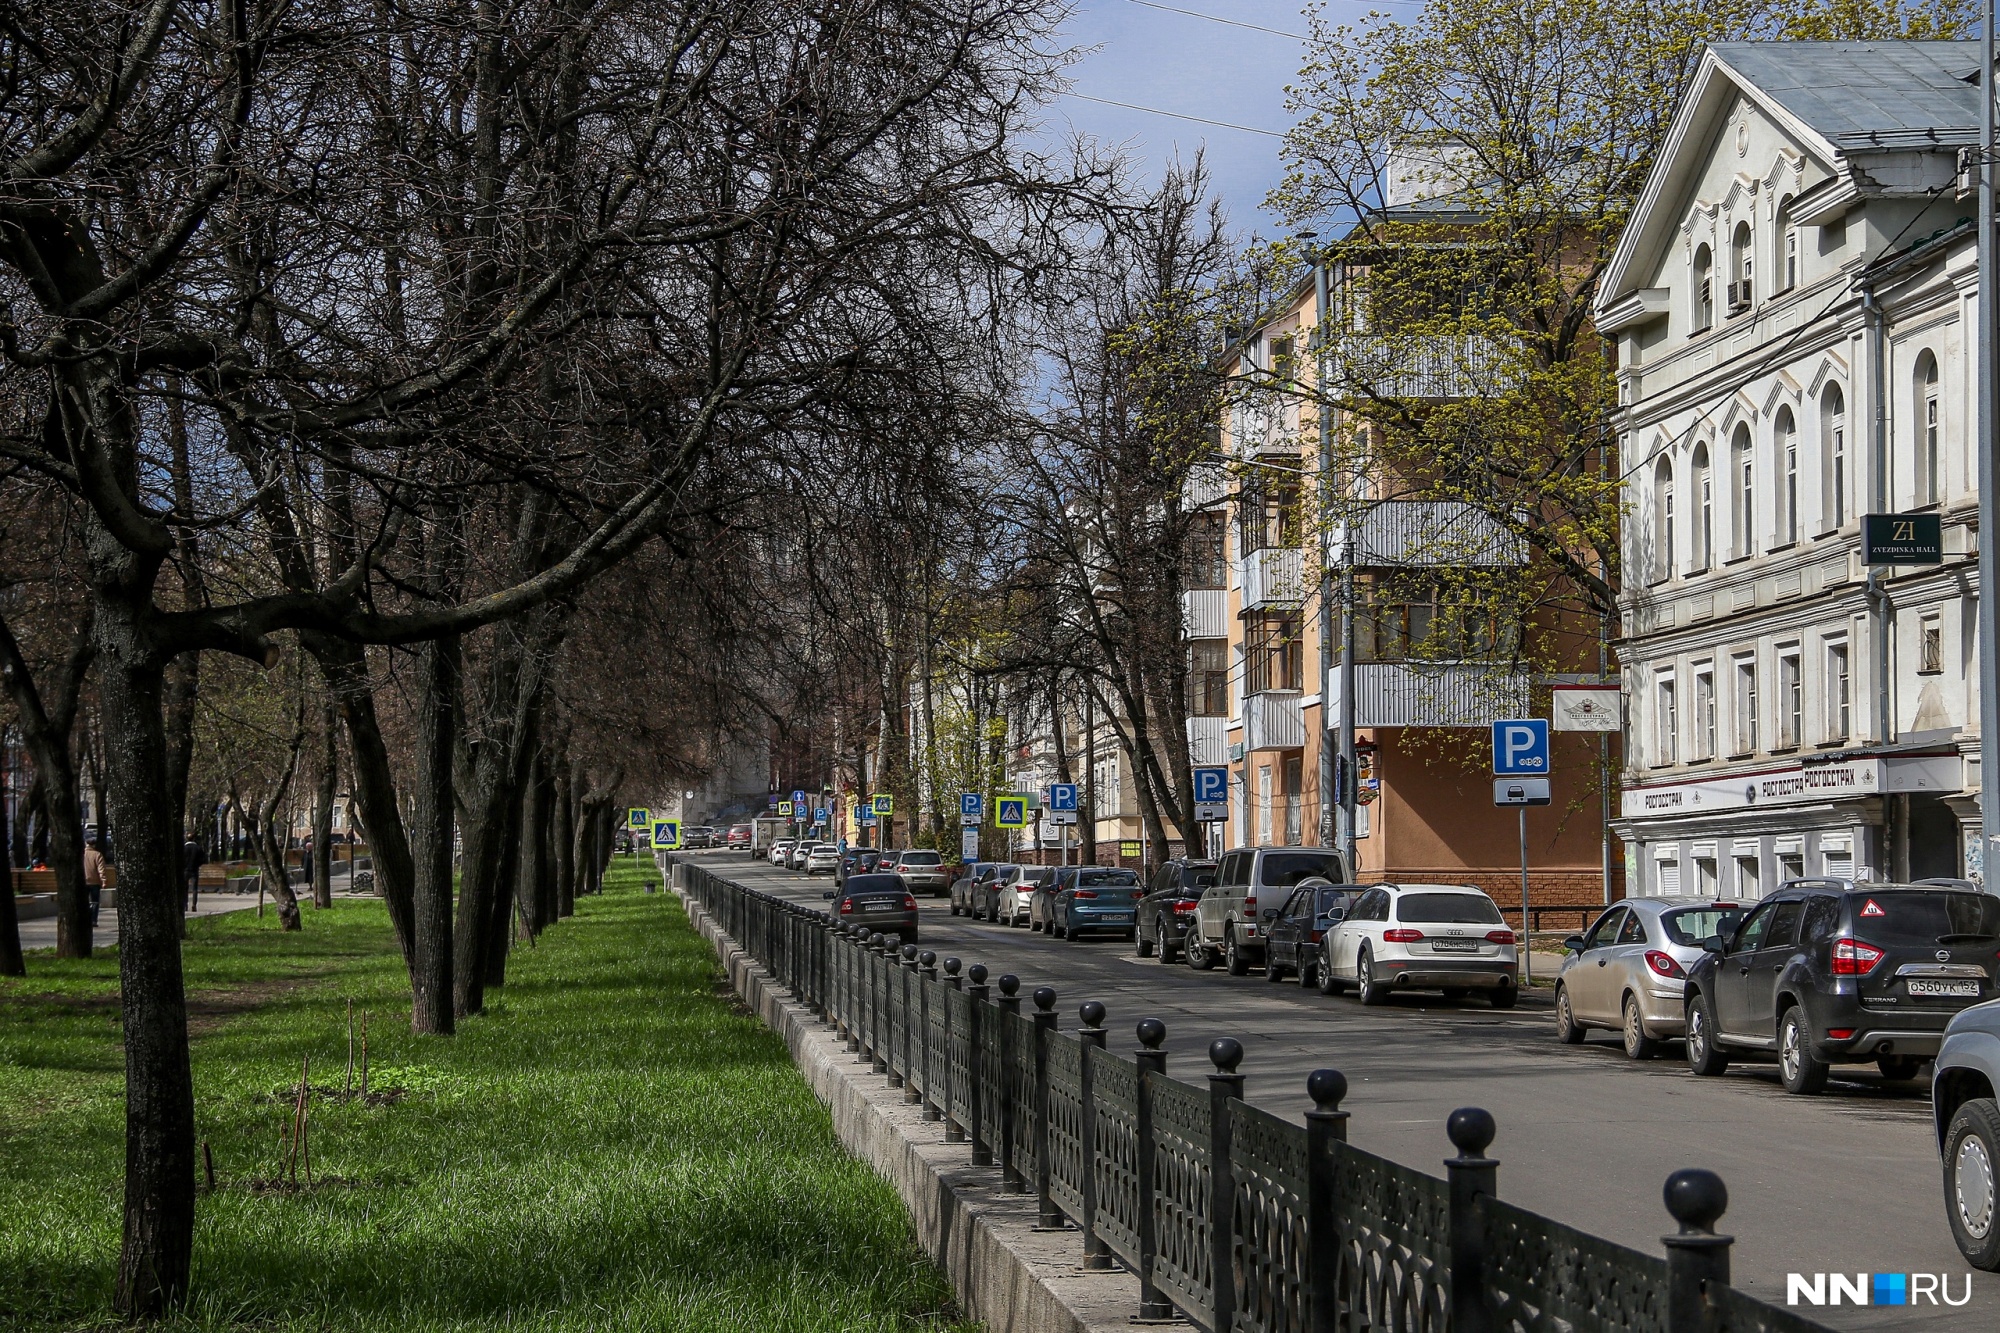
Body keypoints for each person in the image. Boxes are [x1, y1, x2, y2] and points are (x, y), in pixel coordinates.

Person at [83, 835, 107, 926]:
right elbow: (101, 869)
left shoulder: (81, 854)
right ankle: (93, 920)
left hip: (83, 882)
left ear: (86, 844)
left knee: (83, 902)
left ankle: (84, 919)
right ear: (94, 845)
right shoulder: (97, 855)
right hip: (95, 882)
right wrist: (103, 880)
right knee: (95, 902)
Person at [183, 834, 203, 913]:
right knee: (194, 889)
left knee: (185, 889)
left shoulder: (184, 848)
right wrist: (197, 864)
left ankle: (185, 905)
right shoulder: (198, 848)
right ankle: (194, 905)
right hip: (194, 870)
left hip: (185, 870)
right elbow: (203, 859)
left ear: (187, 839)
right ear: (194, 839)